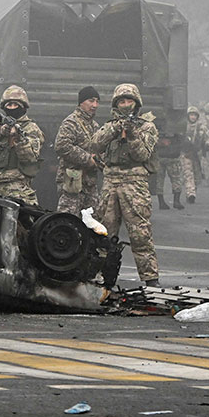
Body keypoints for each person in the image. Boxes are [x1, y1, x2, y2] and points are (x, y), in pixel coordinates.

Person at [86, 84, 161, 287]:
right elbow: (94, 144)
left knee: (140, 233)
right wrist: (115, 129)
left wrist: (133, 134)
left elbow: (142, 154)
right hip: (110, 181)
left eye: (129, 101)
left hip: (134, 182)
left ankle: (150, 279)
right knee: (104, 233)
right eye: (121, 101)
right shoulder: (110, 125)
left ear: (136, 103)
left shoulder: (147, 127)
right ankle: (102, 278)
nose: (125, 105)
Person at [0, 85, 44, 205]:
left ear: (23, 107)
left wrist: (18, 139)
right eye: (9, 105)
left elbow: (31, 157)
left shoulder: (30, 128)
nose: (12, 108)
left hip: (17, 187)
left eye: (15, 105)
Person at [54, 86, 102, 215]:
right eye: (91, 101)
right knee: (68, 221)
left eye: (97, 101)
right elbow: (61, 146)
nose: (95, 105)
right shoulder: (71, 123)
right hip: (72, 183)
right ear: (81, 102)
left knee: (93, 223)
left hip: (89, 184)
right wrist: (87, 159)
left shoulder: (95, 126)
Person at [150, 116, 186, 210]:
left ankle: (162, 203)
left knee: (160, 180)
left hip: (161, 157)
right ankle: (176, 201)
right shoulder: (177, 124)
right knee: (176, 179)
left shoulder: (155, 125)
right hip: (172, 157)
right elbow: (182, 140)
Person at [181, 105, 209, 203]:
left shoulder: (201, 127)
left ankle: (193, 191)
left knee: (197, 176)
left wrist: (208, 145)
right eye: (191, 115)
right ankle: (190, 193)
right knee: (188, 174)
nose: (193, 117)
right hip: (186, 154)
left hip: (198, 155)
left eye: (194, 115)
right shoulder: (183, 127)